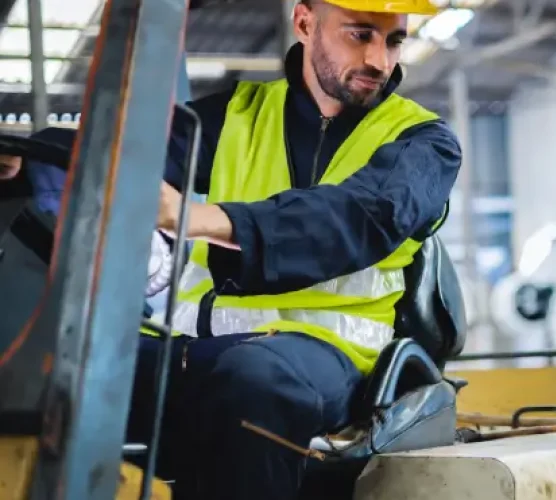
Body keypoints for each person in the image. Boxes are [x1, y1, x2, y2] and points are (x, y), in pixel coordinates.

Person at [124, 0, 459, 498]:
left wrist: (200, 218)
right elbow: (114, 155)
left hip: (335, 360)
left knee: (254, 382)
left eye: (392, 40)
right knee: (69, 367)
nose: (380, 62)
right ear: (305, 23)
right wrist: (29, 162)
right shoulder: (230, 118)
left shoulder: (424, 144)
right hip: (198, 345)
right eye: (360, 34)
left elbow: (359, 217)